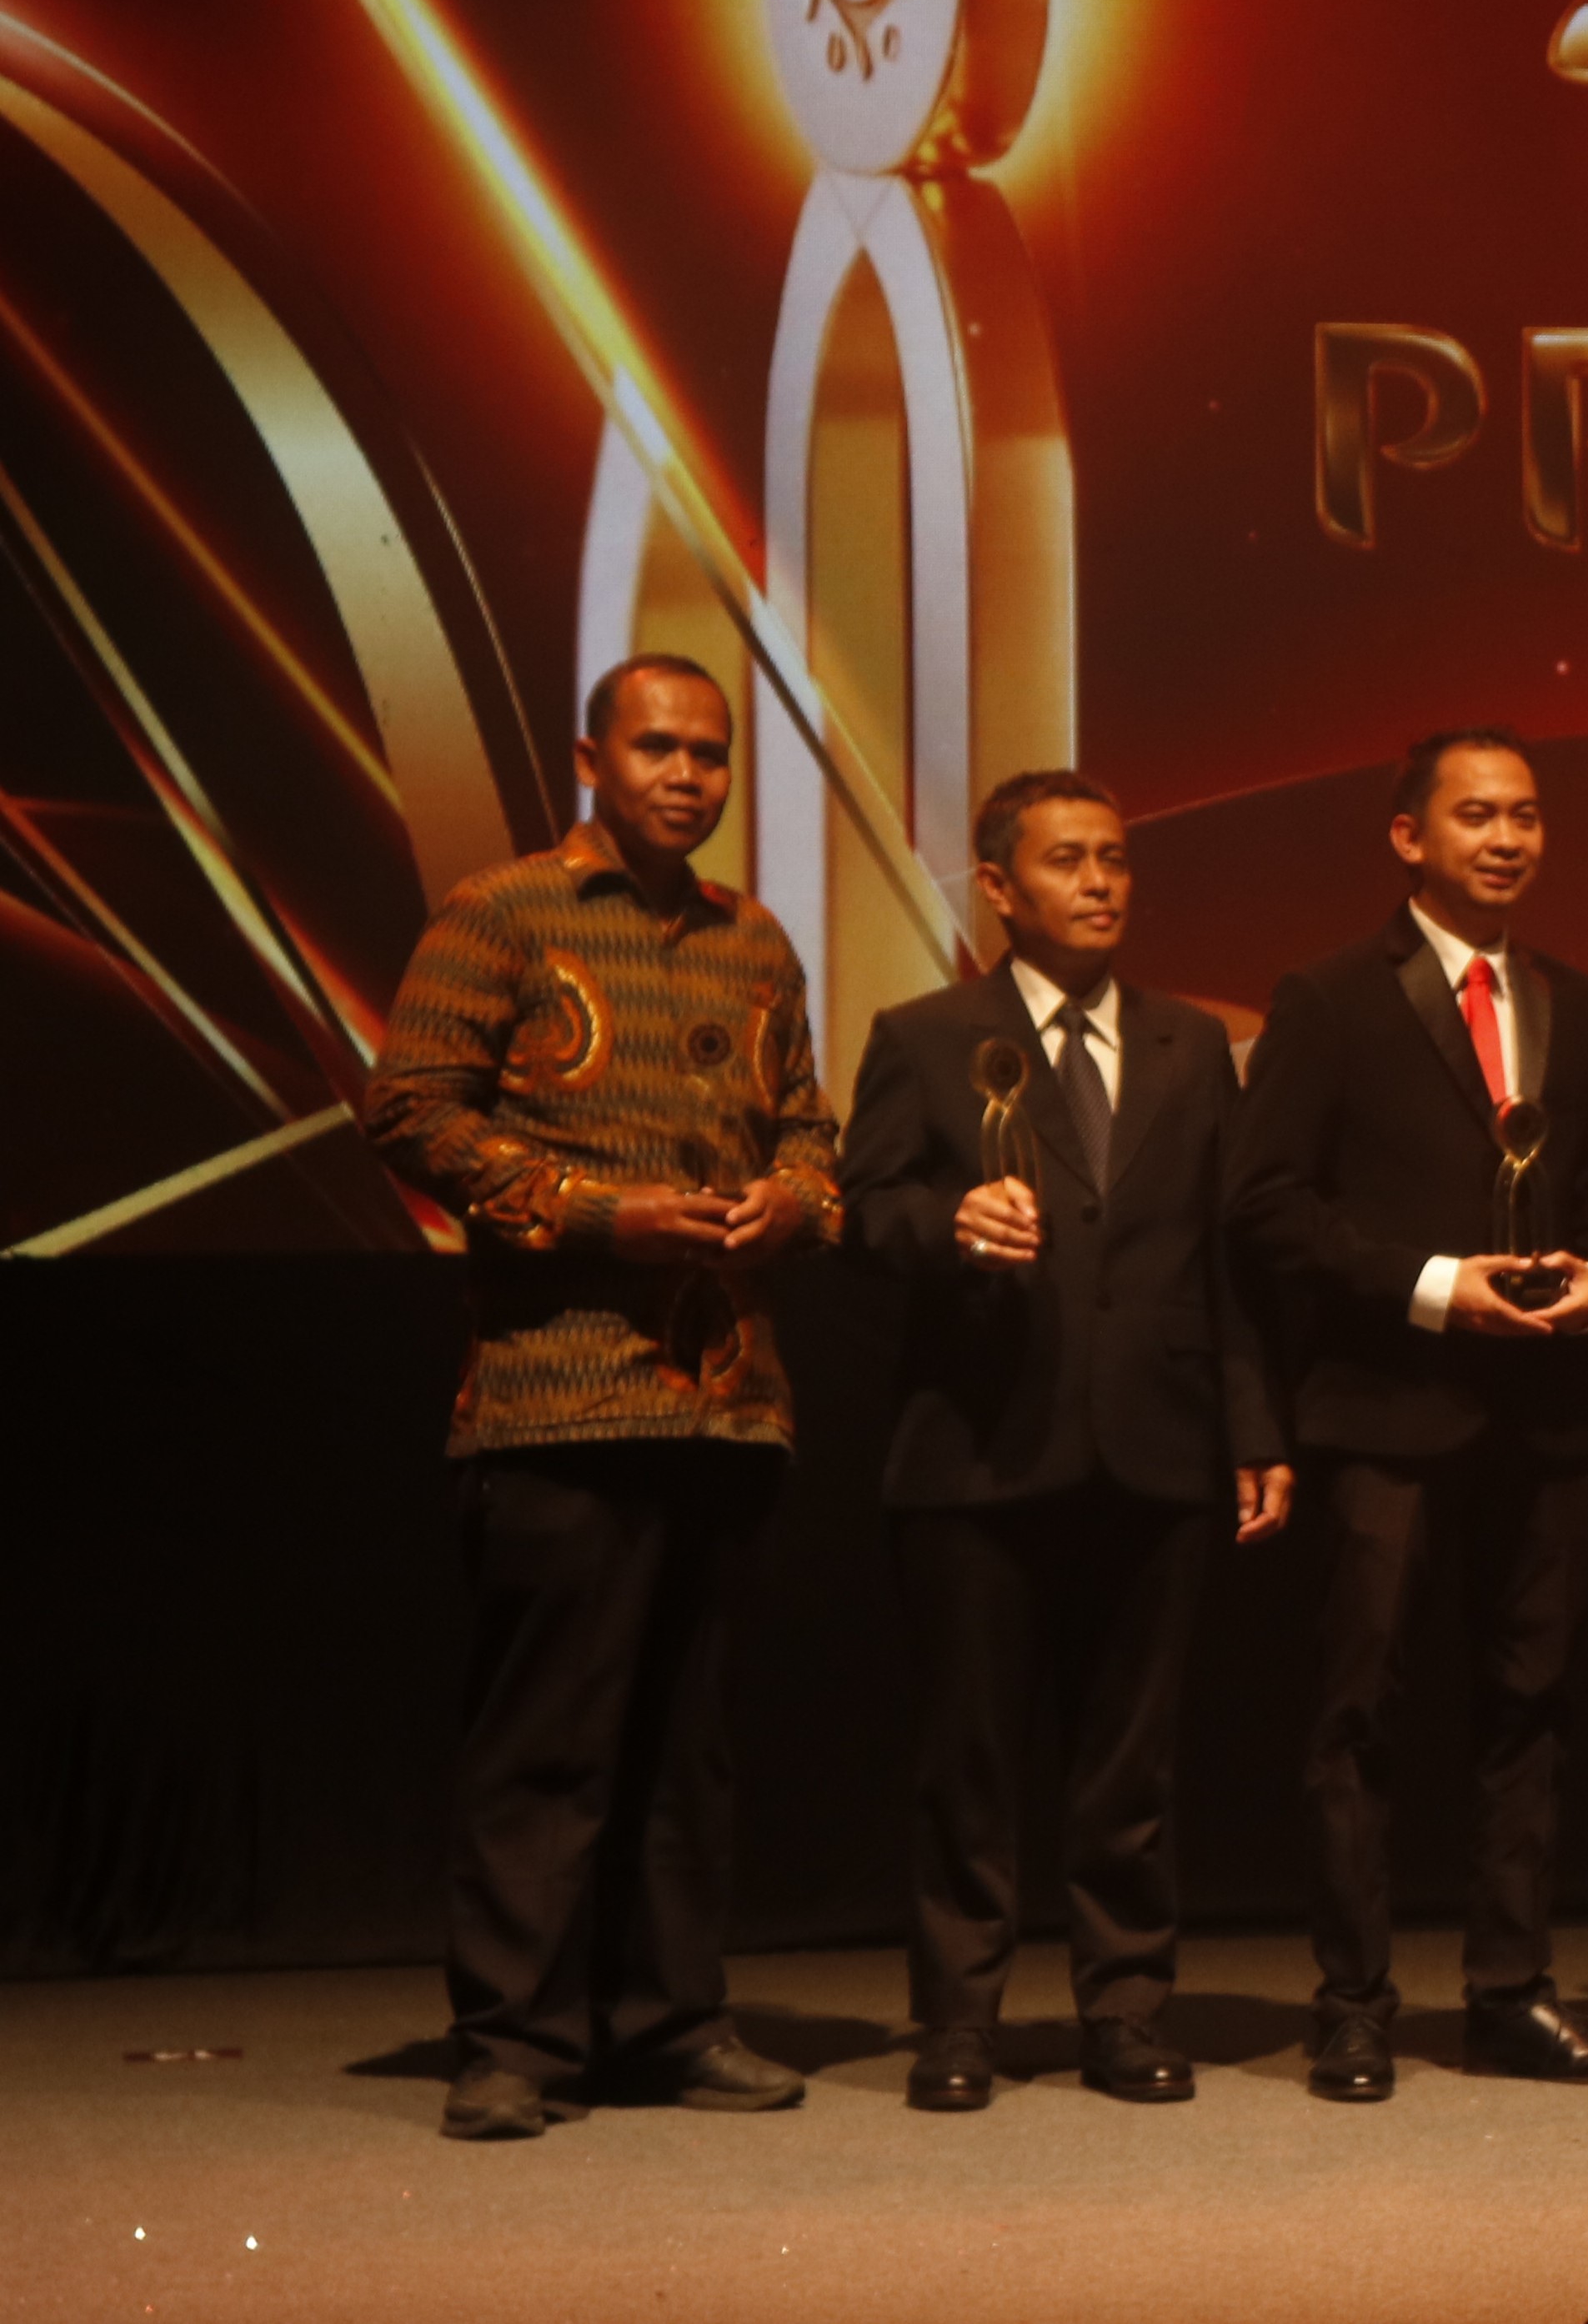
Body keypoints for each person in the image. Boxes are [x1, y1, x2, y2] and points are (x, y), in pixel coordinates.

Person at [357, 654, 835, 2140]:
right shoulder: (502, 911)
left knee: (690, 1745)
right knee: (548, 1742)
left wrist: (794, 1202)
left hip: (726, 1399)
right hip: (559, 1390)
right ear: (591, 757)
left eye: (711, 753)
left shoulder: (755, 937)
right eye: (659, 748)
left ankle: (672, 2021)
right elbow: (407, 1107)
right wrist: (593, 1215)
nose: (689, 776)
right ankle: (517, 2039)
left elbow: (810, 1130)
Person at [838, 769, 1292, 2109]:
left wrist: (1254, 1424)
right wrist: (949, 1223)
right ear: (997, 885)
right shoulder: (926, 1034)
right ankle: (958, 2019)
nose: (1099, 881)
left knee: (1131, 1756)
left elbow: (1225, 1255)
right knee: (968, 1756)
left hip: (1158, 1440)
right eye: (1067, 859)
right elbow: (861, 1213)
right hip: (979, 1444)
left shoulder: (1192, 1041)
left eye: (1114, 857)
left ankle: (1128, 2006)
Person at [1229, 729, 1588, 2099]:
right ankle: (1353, 2002)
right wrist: (1431, 1286)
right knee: (1358, 1712)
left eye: (1525, 815)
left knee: (1533, 1706)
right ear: (1409, 836)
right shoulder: (1329, 994)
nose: (1508, 838)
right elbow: (1267, 1201)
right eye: (1477, 815)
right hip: (1386, 1406)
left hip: (1549, 1410)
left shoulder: (1575, 997)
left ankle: (1511, 1994)